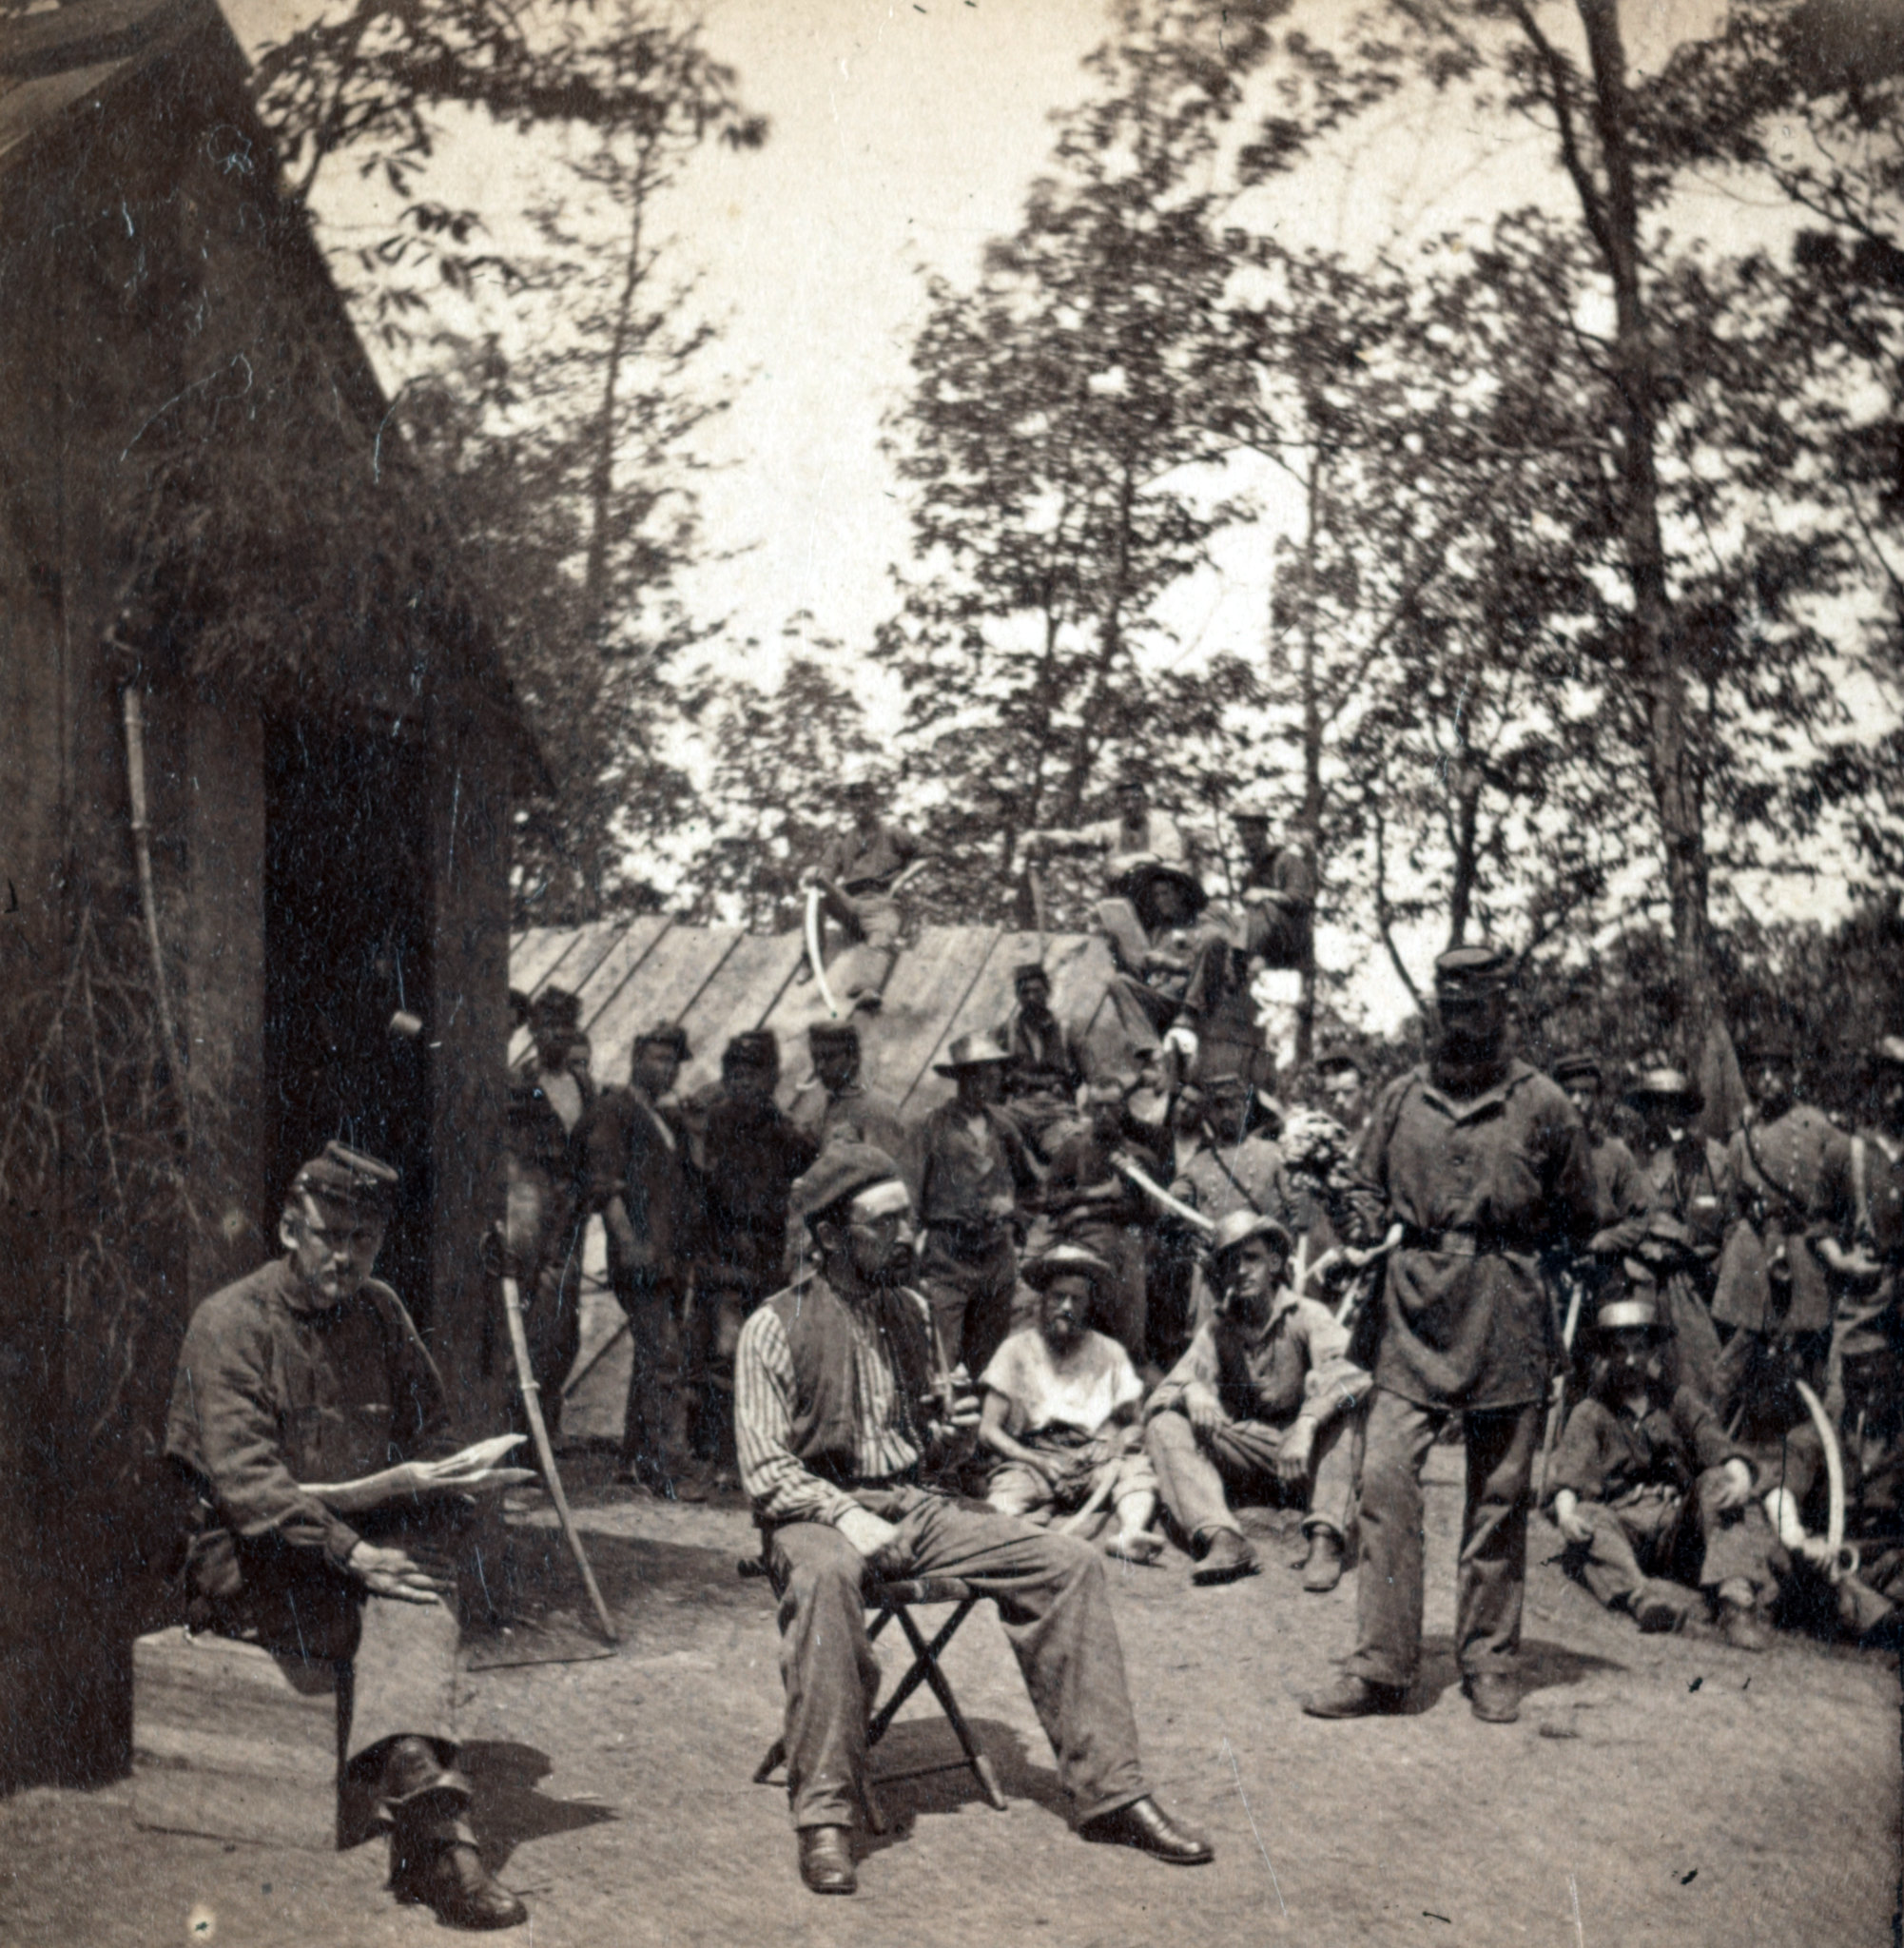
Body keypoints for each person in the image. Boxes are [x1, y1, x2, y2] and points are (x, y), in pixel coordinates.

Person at [734, 1144, 1213, 1896]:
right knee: (826, 1581)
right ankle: (825, 1816)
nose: (907, 1239)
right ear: (829, 1236)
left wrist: (951, 1434)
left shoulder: (913, 1311)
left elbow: (929, 1449)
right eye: (883, 1225)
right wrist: (848, 1519)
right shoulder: (773, 1325)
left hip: (911, 1503)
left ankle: (1111, 1792)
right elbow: (766, 1472)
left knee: (1068, 1563)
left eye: (908, 1221)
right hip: (814, 1508)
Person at [164, 1144, 528, 1930]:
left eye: (364, 1240)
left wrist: (449, 1485)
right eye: (330, 1234)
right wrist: (354, 1550)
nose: (345, 1256)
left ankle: (419, 1796)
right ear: (290, 1226)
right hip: (254, 1564)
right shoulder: (230, 1325)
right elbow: (249, 1487)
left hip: (356, 1559)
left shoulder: (382, 1313)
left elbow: (432, 1432)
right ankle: (435, 1832)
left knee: (418, 1578)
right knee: (402, 1598)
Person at [1305, 943, 1597, 1725]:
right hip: (1412, 1309)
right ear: (1437, 1014)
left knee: (1500, 1495)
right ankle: (1382, 1664)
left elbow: (1581, 1215)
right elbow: (1365, 1187)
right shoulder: (1402, 1098)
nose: (1462, 1025)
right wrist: (1352, 1214)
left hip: (1507, 1305)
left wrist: (1526, 1259)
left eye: (1479, 1010)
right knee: (1386, 1481)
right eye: (1451, 1010)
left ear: (1503, 1012)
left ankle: (1490, 1660)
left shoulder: (1544, 1106)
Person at [1145, 1212, 1370, 1591]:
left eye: (1252, 1258)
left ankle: (1326, 1538)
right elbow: (1161, 1394)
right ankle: (1222, 1537)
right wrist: (1191, 1390)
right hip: (1250, 1454)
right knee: (1164, 1423)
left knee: (1348, 1415)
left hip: (1307, 1456)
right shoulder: (1218, 1328)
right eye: (1231, 1262)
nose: (1242, 1271)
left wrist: (1308, 1421)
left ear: (1275, 1264)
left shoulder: (1307, 1315)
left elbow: (1355, 1375)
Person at [1546, 1297, 1780, 1646]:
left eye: (1639, 1349)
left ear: (1652, 1352)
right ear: (1606, 1355)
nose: (1630, 1360)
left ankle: (1736, 1602)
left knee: (1719, 1482)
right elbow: (1570, 1480)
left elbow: (1713, 1440)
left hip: (1676, 1529)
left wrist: (1739, 1472)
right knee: (1586, 1517)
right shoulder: (1591, 1412)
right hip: (1624, 1528)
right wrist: (1566, 1514)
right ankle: (1643, 1600)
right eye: (1620, 1350)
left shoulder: (1677, 1399)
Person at [684, 1031, 821, 1471]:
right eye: (736, 1073)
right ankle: (712, 1453)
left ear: (773, 1078)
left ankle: (739, 1453)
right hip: (718, 1254)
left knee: (755, 1355)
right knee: (715, 1353)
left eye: (753, 1073)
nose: (744, 1082)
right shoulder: (711, 1124)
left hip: (763, 1259)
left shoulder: (787, 1137)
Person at [978, 1246, 1161, 1562]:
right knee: (1005, 1498)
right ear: (1043, 1300)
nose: (1066, 1307)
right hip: (1034, 1458)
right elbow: (988, 1431)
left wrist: (1117, 1442)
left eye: (1076, 1300)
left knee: (1136, 1471)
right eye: (1057, 1297)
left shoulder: (1110, 1352)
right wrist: (1035, 1462)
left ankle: (1130, 1534)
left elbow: (1136, 1421)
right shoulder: (1015, 1350)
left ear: (1089, 1305)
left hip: (1093, 1459)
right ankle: (1007, 1546)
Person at [581, 1023, 698, 1493]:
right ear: (635, 1057)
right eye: (657, 1059)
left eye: (672, 1062)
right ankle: (660, 1467)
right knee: (663, 1354)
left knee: (652, 1357)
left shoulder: (662, 1117)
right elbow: (604, 1186)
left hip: (667, 1257)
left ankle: (631, 1459)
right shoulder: (615, 1110)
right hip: (641, 1255)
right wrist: (629, 1245)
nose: (666, 1070)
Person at [904, 1030, 1043, 1378]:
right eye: (982, 1073)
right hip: (948, 1257)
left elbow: (1032, 1186)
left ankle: (983, 1429)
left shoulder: (1004, 1126)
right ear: (964, 1078)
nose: (992, 1080)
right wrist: (908, 1248)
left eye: (995, 1072)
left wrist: (1015, 1212)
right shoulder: (931, 1127)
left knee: (990, 1360)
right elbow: (909, 1193)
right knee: (940, 1357)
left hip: (996, 1256)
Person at [502, 986, 594, 1432]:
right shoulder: (519, 1084)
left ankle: (546, 1430)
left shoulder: (584, 1086)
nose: (556, 1035)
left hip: (571, 1218)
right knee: (522, 1320)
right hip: (529, 1214)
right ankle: (516, 1432)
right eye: (548, 1026)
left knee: (562, 1327)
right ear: (534, 1030)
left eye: (565, 1026)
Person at [1040, 1073, 1167, 1358]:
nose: (1105, 1114)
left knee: (1128, 1340)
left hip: (1128, 1251)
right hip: (1083, 1250)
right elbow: (1050, 1201)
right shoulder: (1073, 1150)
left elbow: (1151, 1212)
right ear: (1088, 1108)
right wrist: (1094, 1195)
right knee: (1078, 1333)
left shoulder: (1140, 1156)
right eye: (1098, 1106)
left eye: (1112, 1106)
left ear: (1123, 1108)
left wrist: (1090, 1208)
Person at [1169, 1073, 1298, 1328]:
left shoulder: (1272, 1154)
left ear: (1245, 1108)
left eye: (1233, 1106)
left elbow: (1297, 1209)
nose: (1226, 1114)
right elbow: (1171, 1210)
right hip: (1216, 1276)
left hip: (1263, 1276)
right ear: (1208, 1113)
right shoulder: (1198, 1164)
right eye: (1219, 1107)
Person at [805, 778, 930, 1011]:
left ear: (875, 803)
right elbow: (827, 874)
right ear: (849, 806)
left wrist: (903, 881)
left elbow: (928, 853)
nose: (861, 805)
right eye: (855, 800)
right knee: (815, 887)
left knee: (882, 938)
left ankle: (867, 988)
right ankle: (810, 957)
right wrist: (815, 875)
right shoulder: (842, 842)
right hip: (850, 905)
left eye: (866, 799)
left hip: (883, 904)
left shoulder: (893, 834)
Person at [1021, 760, 1192, 886]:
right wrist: (1042, 836)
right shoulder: (1112, 829)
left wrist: (1131, 861)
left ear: (1146, 801)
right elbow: (1079, 837)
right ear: (1119, 804)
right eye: (1124, 801)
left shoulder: (1162, 825)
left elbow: (1171, 853)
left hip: (1160, 896)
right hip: (1126, 894)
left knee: (1170, 871)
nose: (1130, 805)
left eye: (1136, 799)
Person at [995, 961, 1090, 1160]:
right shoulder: (1006, 1033)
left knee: (1071, 1153)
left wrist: (1085, 1114)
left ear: (1048, 991)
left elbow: (1094, 1076)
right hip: (1018, 1111)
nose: (1031, 998)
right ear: (1017, 996)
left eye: (1037, 991)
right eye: (1024, 992)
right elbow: (993, 1081)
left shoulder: (1067, 1030)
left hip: (1056, 1111)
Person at [793, 1020, 909, 1161]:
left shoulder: (877, 1108)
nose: (820, 1067)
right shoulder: (828, 1102)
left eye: (829, 1057)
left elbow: (886, 1171)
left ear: (853, 1057)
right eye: (815, 1059)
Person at [1232, 806, 1315, 972]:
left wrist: (1266, 894)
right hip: (1259, 937)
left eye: (1252, 830)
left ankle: (1238, 963)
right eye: (1242, 832)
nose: (1247, 837)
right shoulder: (1249, 874)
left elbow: (1302, 900)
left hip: (1289, 937)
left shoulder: (1287, 860)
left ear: (1264, 831)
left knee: (1262, 908)